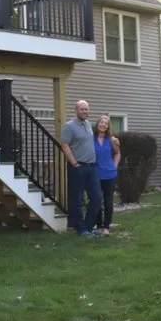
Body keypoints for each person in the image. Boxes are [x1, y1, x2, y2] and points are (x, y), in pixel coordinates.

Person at [60, 100, 103, 238]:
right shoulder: (69, 126)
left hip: (92, 167)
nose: (84, 111)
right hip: (78, 167)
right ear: (76, 110)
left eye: (86, 109)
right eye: (82, 109)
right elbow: (65, 145)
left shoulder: (88, 124)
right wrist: (74, 164)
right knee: (77, 199)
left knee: (96, 197)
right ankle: (81, 229)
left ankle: (89, 227)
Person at [92, 115, 121, 236]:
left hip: (110, 175)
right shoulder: (90, 139)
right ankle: (98, 226)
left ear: (108, 126)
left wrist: (114, 166)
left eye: (106, 123)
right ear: (97, 124)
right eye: (101, 122)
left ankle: (106, 226)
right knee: (97, 200)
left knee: (108, 202)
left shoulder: (112, 140)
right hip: (95, 175)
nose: (103, 125)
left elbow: (117, 154)